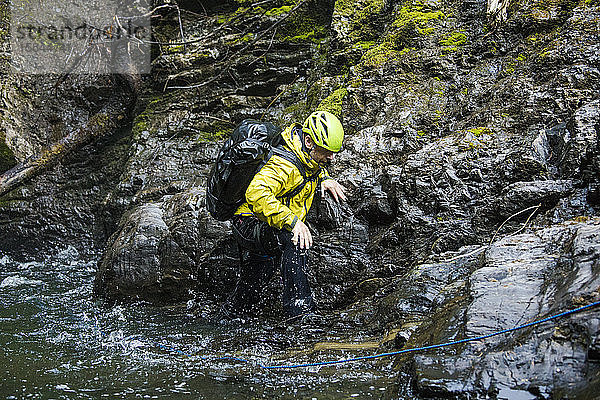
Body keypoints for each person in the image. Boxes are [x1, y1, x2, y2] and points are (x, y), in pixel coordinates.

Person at [228, 110, 347, 317]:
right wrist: (292, 222)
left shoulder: (307, 156)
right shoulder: (283, 164)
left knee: (253, 283)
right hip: (247, 222)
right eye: (327, 151)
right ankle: (299, 313)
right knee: (295, 239)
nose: (332, 157)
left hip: (265, 224)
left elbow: (310, 168)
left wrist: (324, 178)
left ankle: (230, 316)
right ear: (309, 141)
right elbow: (256, 193)